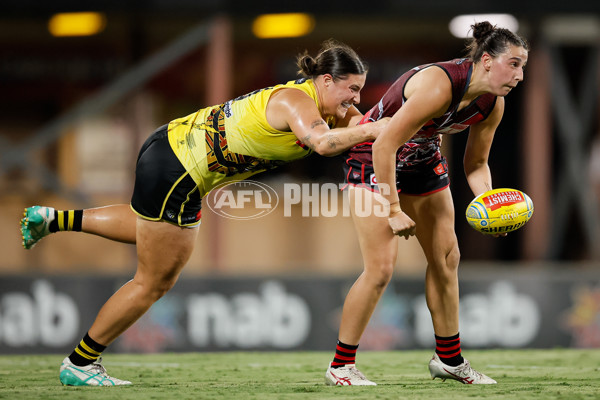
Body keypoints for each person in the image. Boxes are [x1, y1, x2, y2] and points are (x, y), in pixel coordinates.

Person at [20, 39, 389, 386]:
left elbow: (362, 125)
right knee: (155, 280)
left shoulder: (323, 104)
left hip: (173, 152)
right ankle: (80, 363)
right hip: (178, 166)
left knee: (149, 228)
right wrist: (376, 129)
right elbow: (324, 144)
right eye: (352, 90)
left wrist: (406, 125)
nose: (356, 98)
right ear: (326, 81)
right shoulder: (296, 101)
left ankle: (54, 219)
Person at [324, 21, 528, 386]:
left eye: (523, 65)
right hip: (373, 157)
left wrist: (489, 200)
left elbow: (477, 164)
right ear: (485, 60)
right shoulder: (439, 85)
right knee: (381, 268)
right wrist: (392, 209)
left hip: (421, 161)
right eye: (513, 63)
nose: (520, 74)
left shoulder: (491, 104)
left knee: (447, 258)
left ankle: (449, 360)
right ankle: (341, 366)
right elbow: (383, 144)